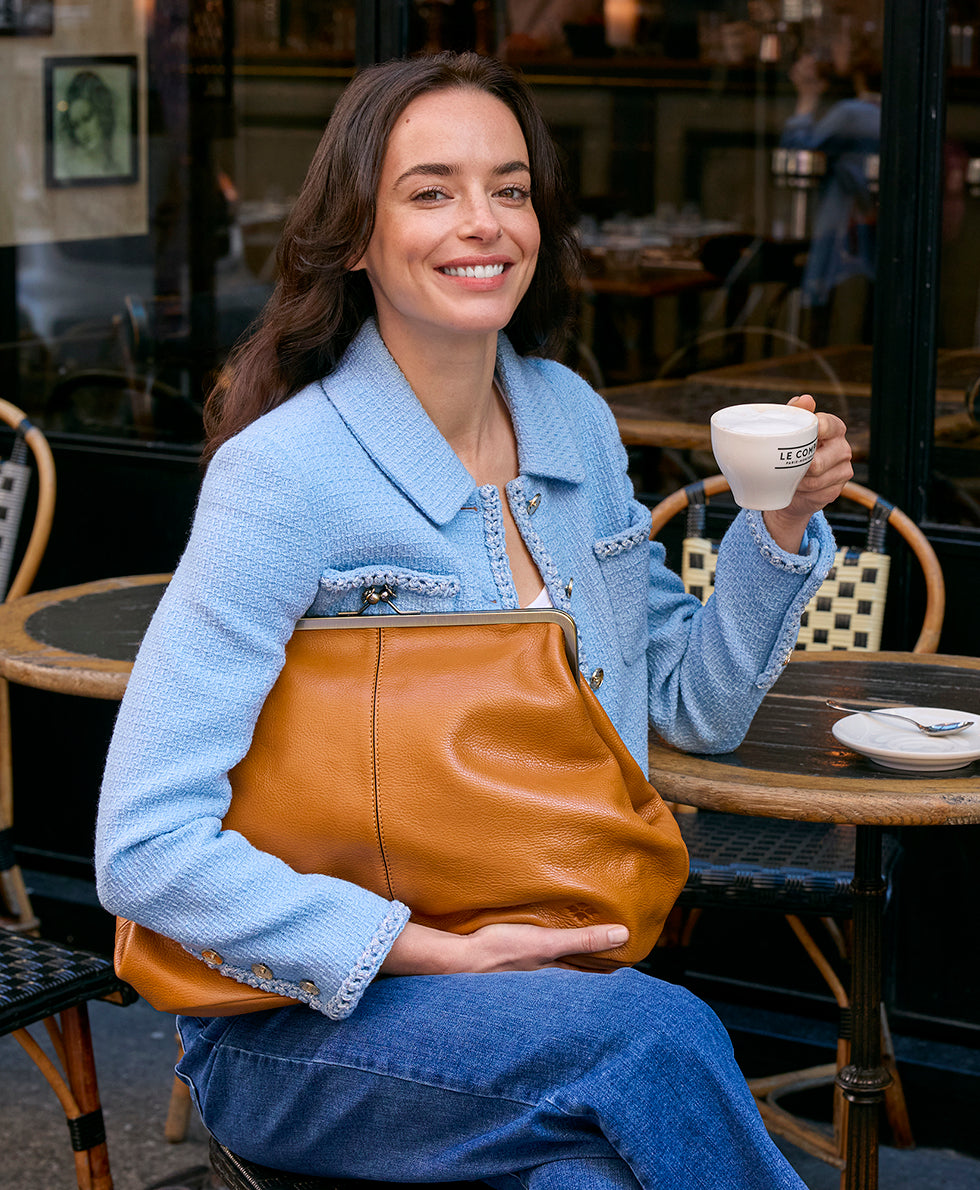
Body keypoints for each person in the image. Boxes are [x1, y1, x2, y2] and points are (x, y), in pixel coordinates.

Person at [96, 51, 852, 1188]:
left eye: (509, 188)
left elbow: (686, 704)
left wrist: (779, 528)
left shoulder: (571, 419)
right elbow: (143, 848)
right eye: (431, 190)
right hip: (302, 1021)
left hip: (544, 1002)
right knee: (659, 1032)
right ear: (356, 233)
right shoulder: (285, 475)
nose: (483, 223)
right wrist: (430, 950)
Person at [779, 47, 881, 342]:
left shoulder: (854, 113)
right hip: (870, 229)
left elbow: (796, 149)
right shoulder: (895, 113)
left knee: (828, 321)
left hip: (844, 233)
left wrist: (807, 97)